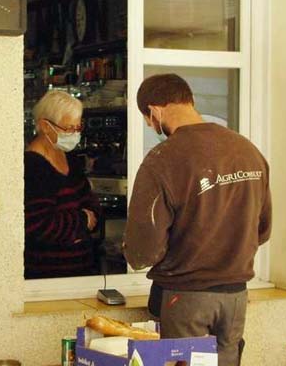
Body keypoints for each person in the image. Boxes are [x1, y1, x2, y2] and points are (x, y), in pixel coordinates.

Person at [123, 74, 272, 366]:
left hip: (186, 299)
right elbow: (262, 230)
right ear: (189, 100)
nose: (151, 126)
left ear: (154, 111)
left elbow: (143, 252)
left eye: (148, 119)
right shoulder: (248, 151)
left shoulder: (163, 159)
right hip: (236, 297)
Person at [24, 90, 99, 279]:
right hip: (47, 277)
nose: (74, 134)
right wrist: (82, 220)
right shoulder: (33, 166)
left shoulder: (70, 159)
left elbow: (93, 204)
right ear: (45, 126)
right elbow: (38, 226)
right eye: (68, 128)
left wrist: (78, 222)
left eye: (78, 128)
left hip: (82, 271)